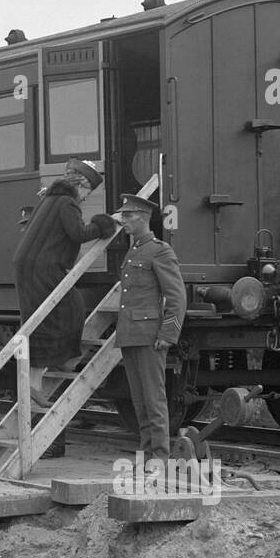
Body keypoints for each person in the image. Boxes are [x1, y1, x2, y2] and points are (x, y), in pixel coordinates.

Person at [13, 160, 117, 407]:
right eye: (87, 192)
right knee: (71, 310)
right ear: (81, 184)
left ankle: (37, 381)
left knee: (40, 320)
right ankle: (58, 363)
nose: (85, 197)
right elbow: (78, 234)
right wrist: (103, 225)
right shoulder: (67, 202)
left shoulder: (48, 200)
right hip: (45, 268)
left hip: (28, 266)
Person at [116, 193, 187, 458]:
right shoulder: (134, 250)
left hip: (149, 336)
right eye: (123, 215)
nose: (123, 220)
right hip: (131, 335)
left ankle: (159, 457)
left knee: (154, 400)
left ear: (144, 218)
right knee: (140, 402)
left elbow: (177, 296)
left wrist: (168, 333)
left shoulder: (160, 251)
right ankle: (147, 454)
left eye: (128, 215)